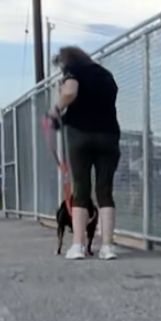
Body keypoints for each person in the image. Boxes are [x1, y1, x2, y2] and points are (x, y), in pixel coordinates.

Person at [49, 45, 121, 260]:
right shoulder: (107, 76)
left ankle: (78, 246)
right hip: (109, 135)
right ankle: (107, 246)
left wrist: (56, 109)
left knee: (81, 189)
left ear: (66, 62)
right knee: (105, 190)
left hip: (80, 135)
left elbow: (70, 90)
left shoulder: (74, 72)